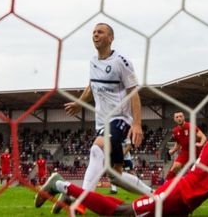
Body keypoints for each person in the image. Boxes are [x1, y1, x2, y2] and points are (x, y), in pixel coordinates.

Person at [36, 119, 208, 216]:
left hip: (183, 205)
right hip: (175, 196)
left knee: (126, 209)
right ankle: (61, 185)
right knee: (122, 213)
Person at [47, 22, 153, 214]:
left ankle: (80, 200)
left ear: (111, 38)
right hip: (101, 122)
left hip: (120, 119)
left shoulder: (122, 61)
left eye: (100, 32)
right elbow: (92, 86)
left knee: (96, 149)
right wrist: (80, 103)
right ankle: (154, 195)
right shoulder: (93, 61)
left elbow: (134, 93)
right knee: (114, 175)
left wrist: (137, 124)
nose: (96, 35)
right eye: (94, 32)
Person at [166, 111, 208, 184]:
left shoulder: (190, 126)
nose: (179, 118)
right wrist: (173, 150)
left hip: (196, 150)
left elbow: (203, 137)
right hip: (185, 151)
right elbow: (178, 143)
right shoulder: (175, 131)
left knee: (199, 171)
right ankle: (167, 184)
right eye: (177, 117)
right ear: (174, 119)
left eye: (181, 116)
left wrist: (201, 144)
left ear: (184, 117)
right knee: (175, 167)